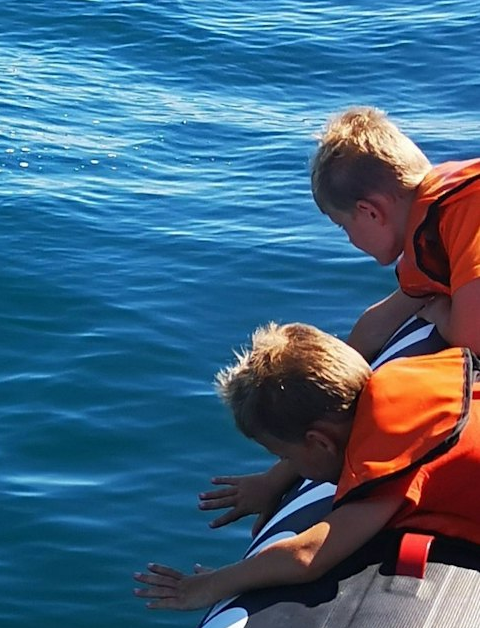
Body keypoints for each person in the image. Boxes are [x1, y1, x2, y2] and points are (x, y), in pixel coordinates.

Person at [199, 107, 480, 533]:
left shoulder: (464, 213)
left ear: (371, 211)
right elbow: (378, 323)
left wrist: (442, 316)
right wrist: (280, 472)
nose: (349, 240)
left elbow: (471, 342)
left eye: (342, 226)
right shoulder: (430, 231)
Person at [136, 322, 480, 611]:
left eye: (283, 456)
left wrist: (210, 585)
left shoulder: (391, 470)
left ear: (319, 442)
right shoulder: (406, 391)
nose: (284, 464)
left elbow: (306, 556)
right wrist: (275, 481)